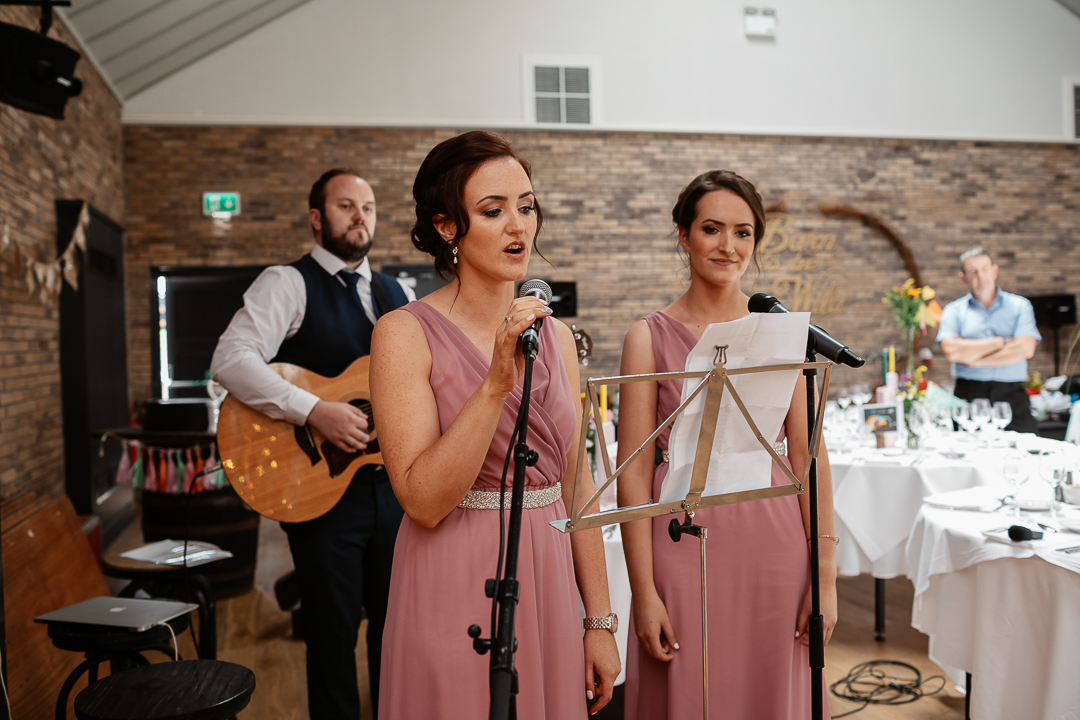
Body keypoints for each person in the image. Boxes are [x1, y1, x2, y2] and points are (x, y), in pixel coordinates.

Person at [369, 131, 620, 719]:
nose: (518, 226)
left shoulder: (558, 337)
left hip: (550, 571)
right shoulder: (403, 333)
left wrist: (600, 621)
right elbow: (422, 500)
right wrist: (495, 383)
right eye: (493, 211)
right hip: (454, 573)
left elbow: (577, 481)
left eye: (526, 207)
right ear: (446, 227)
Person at [617, 170, 837, 719]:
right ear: (684, 236)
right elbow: (633, 473)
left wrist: (825, 576)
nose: (728, 246)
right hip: (681, 540)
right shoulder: (647, 336)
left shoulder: (782, 334)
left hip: (776, 545)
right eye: (712, 229)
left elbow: (808, 457)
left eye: (743, 232)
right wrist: (642, 591)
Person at [210, 169, 415, 720]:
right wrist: (315, 410)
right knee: (332, 637)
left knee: (398, 633)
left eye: (368, 207)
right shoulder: (287, 283)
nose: (360, 216)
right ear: (316, 218)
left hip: (396, 490)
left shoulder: (399, 293)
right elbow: (230, 359)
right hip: (320, 489)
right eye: (346, 206)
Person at [937, 246, 1040, 433]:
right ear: (963, 278)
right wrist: (1002, 342)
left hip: (1012, 397)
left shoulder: (1020, 306)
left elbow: (1025, 349)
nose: (980, 276)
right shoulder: (952, 311)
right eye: (973, 271)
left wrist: (972, 358)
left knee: (1026, 449)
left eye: (984, 269)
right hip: (969, 396)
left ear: (994, 271)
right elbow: (952, 351)